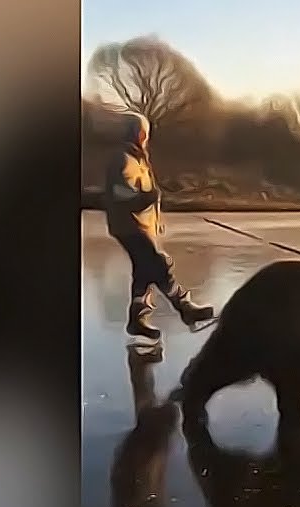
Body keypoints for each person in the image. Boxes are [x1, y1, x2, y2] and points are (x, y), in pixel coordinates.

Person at [86, 103, 214, 348]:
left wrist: (155, 220)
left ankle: (138, 319)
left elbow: (141, 194)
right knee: (158, 262)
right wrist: (145, 197)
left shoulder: (138, 159)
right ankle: (184, 307)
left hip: (141, 226)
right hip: (129, 226)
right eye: (145, 133)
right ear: (139, 134)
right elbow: (118, 192)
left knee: (145, 271)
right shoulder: (123, 160)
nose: (146, 139)